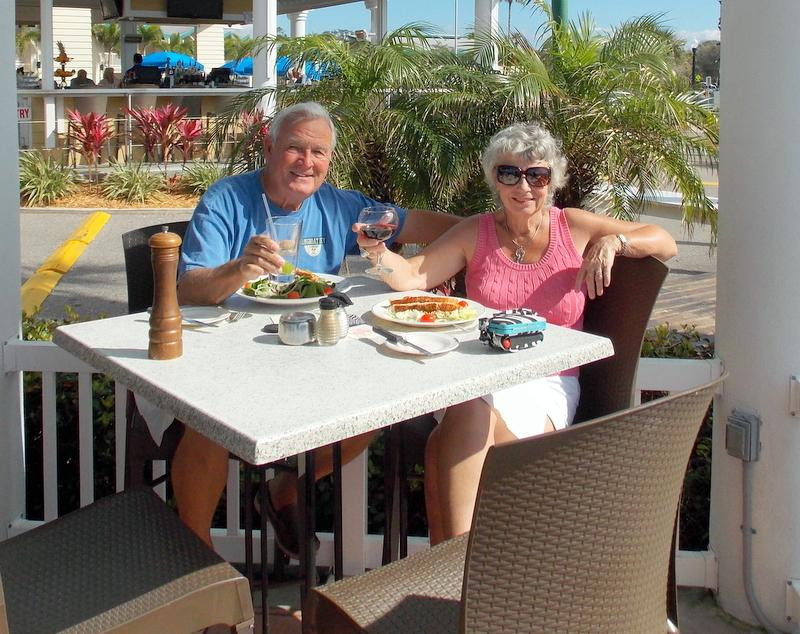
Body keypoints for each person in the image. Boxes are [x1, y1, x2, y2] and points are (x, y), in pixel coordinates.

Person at [357, 121, 677, 545]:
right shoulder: (476, 232)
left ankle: (455, 565)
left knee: (446, 438)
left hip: (547, 382)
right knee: (468, 404)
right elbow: (413, 275)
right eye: (509, 173)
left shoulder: (574, 227)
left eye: (536, 175)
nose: (523, 186)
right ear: (494, 178)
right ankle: (463, 567)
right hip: (480, 371)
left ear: (552, 181)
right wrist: (375, 253)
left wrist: (615, 241)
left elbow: (664, 241)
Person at [174, 101, 461, 553]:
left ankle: (286, 489)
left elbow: (429, 225)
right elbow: (188, 289)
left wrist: (486, 236)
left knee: (378, 404)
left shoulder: (342, 207)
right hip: (230, 360)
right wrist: (237, 269)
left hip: (310, 359)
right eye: (295, 148)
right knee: (207, 414)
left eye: (318, 152)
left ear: (329, 159)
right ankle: (196, 557)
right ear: (269, 148)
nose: (306, 162)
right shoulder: (226, 200)